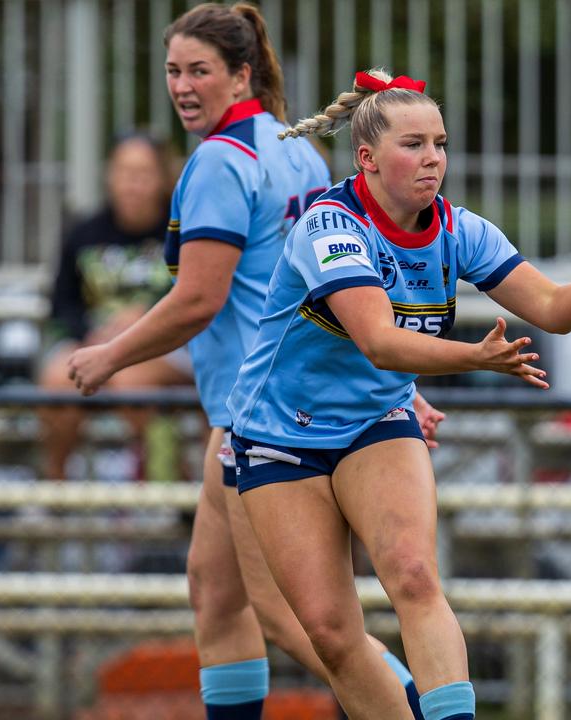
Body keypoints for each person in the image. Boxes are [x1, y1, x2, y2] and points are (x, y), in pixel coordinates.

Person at [226, 69, 571, 719]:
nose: (432, 159)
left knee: (413, 576)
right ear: (368, 159)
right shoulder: (330, 226)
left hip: (373, 422)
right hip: (279, 434)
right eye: (412, 145)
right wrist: (476, 357)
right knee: (329, 633)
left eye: (439, 143)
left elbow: (550, 306)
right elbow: (379, 341)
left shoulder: (459, 229)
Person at [65, 6, 434, 718]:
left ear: (242, 74)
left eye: (199, 70)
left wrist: (110, 355)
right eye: (172, 71)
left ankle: (420, 705)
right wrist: (391, 385)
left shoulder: (219, 162)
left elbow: (199, 298)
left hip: (257, 413)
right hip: (267, 403)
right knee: (215, 590)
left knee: (299, 621)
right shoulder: (294, 148)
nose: (182, 85)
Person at [37, 133, 193, 481]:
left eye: (142, 174)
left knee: (131, 380)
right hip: (96, 341)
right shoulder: (84, 233)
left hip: (166, 345)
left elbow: (195, 293)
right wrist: (90, 334)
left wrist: (140, 322)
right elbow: (62, 305)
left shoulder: (182, 230)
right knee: (57, 377)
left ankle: (166, 484)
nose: (132, 185)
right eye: (123, 173)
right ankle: (54, 488)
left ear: (161, 179)